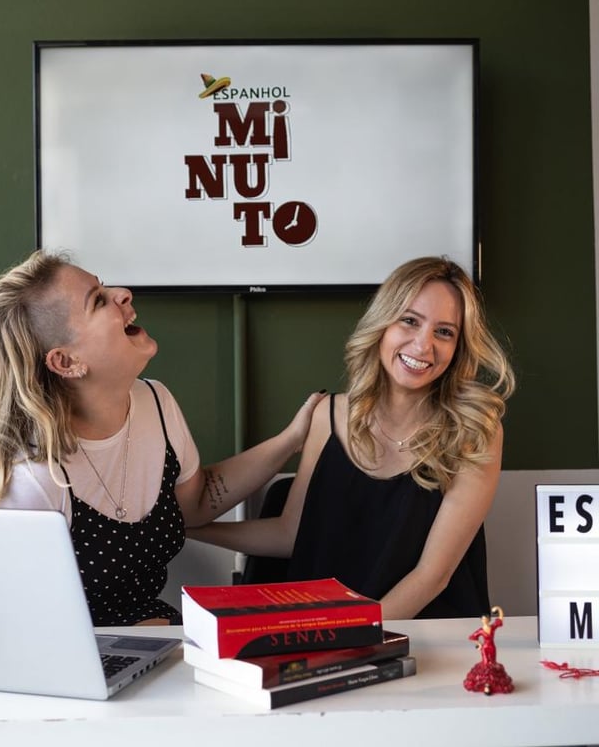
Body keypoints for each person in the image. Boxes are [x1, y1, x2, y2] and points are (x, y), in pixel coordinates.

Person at [0, 250, 321, 626]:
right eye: (97, 300)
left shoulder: (155, 401)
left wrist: (292, 439)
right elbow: (8, 627)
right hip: (78, 663)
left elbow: (195, 504)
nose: (123, 294)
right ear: (66, 362)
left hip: (154, 639)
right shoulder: (33, 480)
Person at [189, 256, 515, 620]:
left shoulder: (475, 430)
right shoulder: (327, 416)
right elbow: (291, 534)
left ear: (458, 348)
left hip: (425, 637)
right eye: (409, 321)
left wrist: (354, 636)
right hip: (324, 628)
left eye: (444, 332)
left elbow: (432, 577)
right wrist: (193, 528)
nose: (423, 346)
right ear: (383, 325)